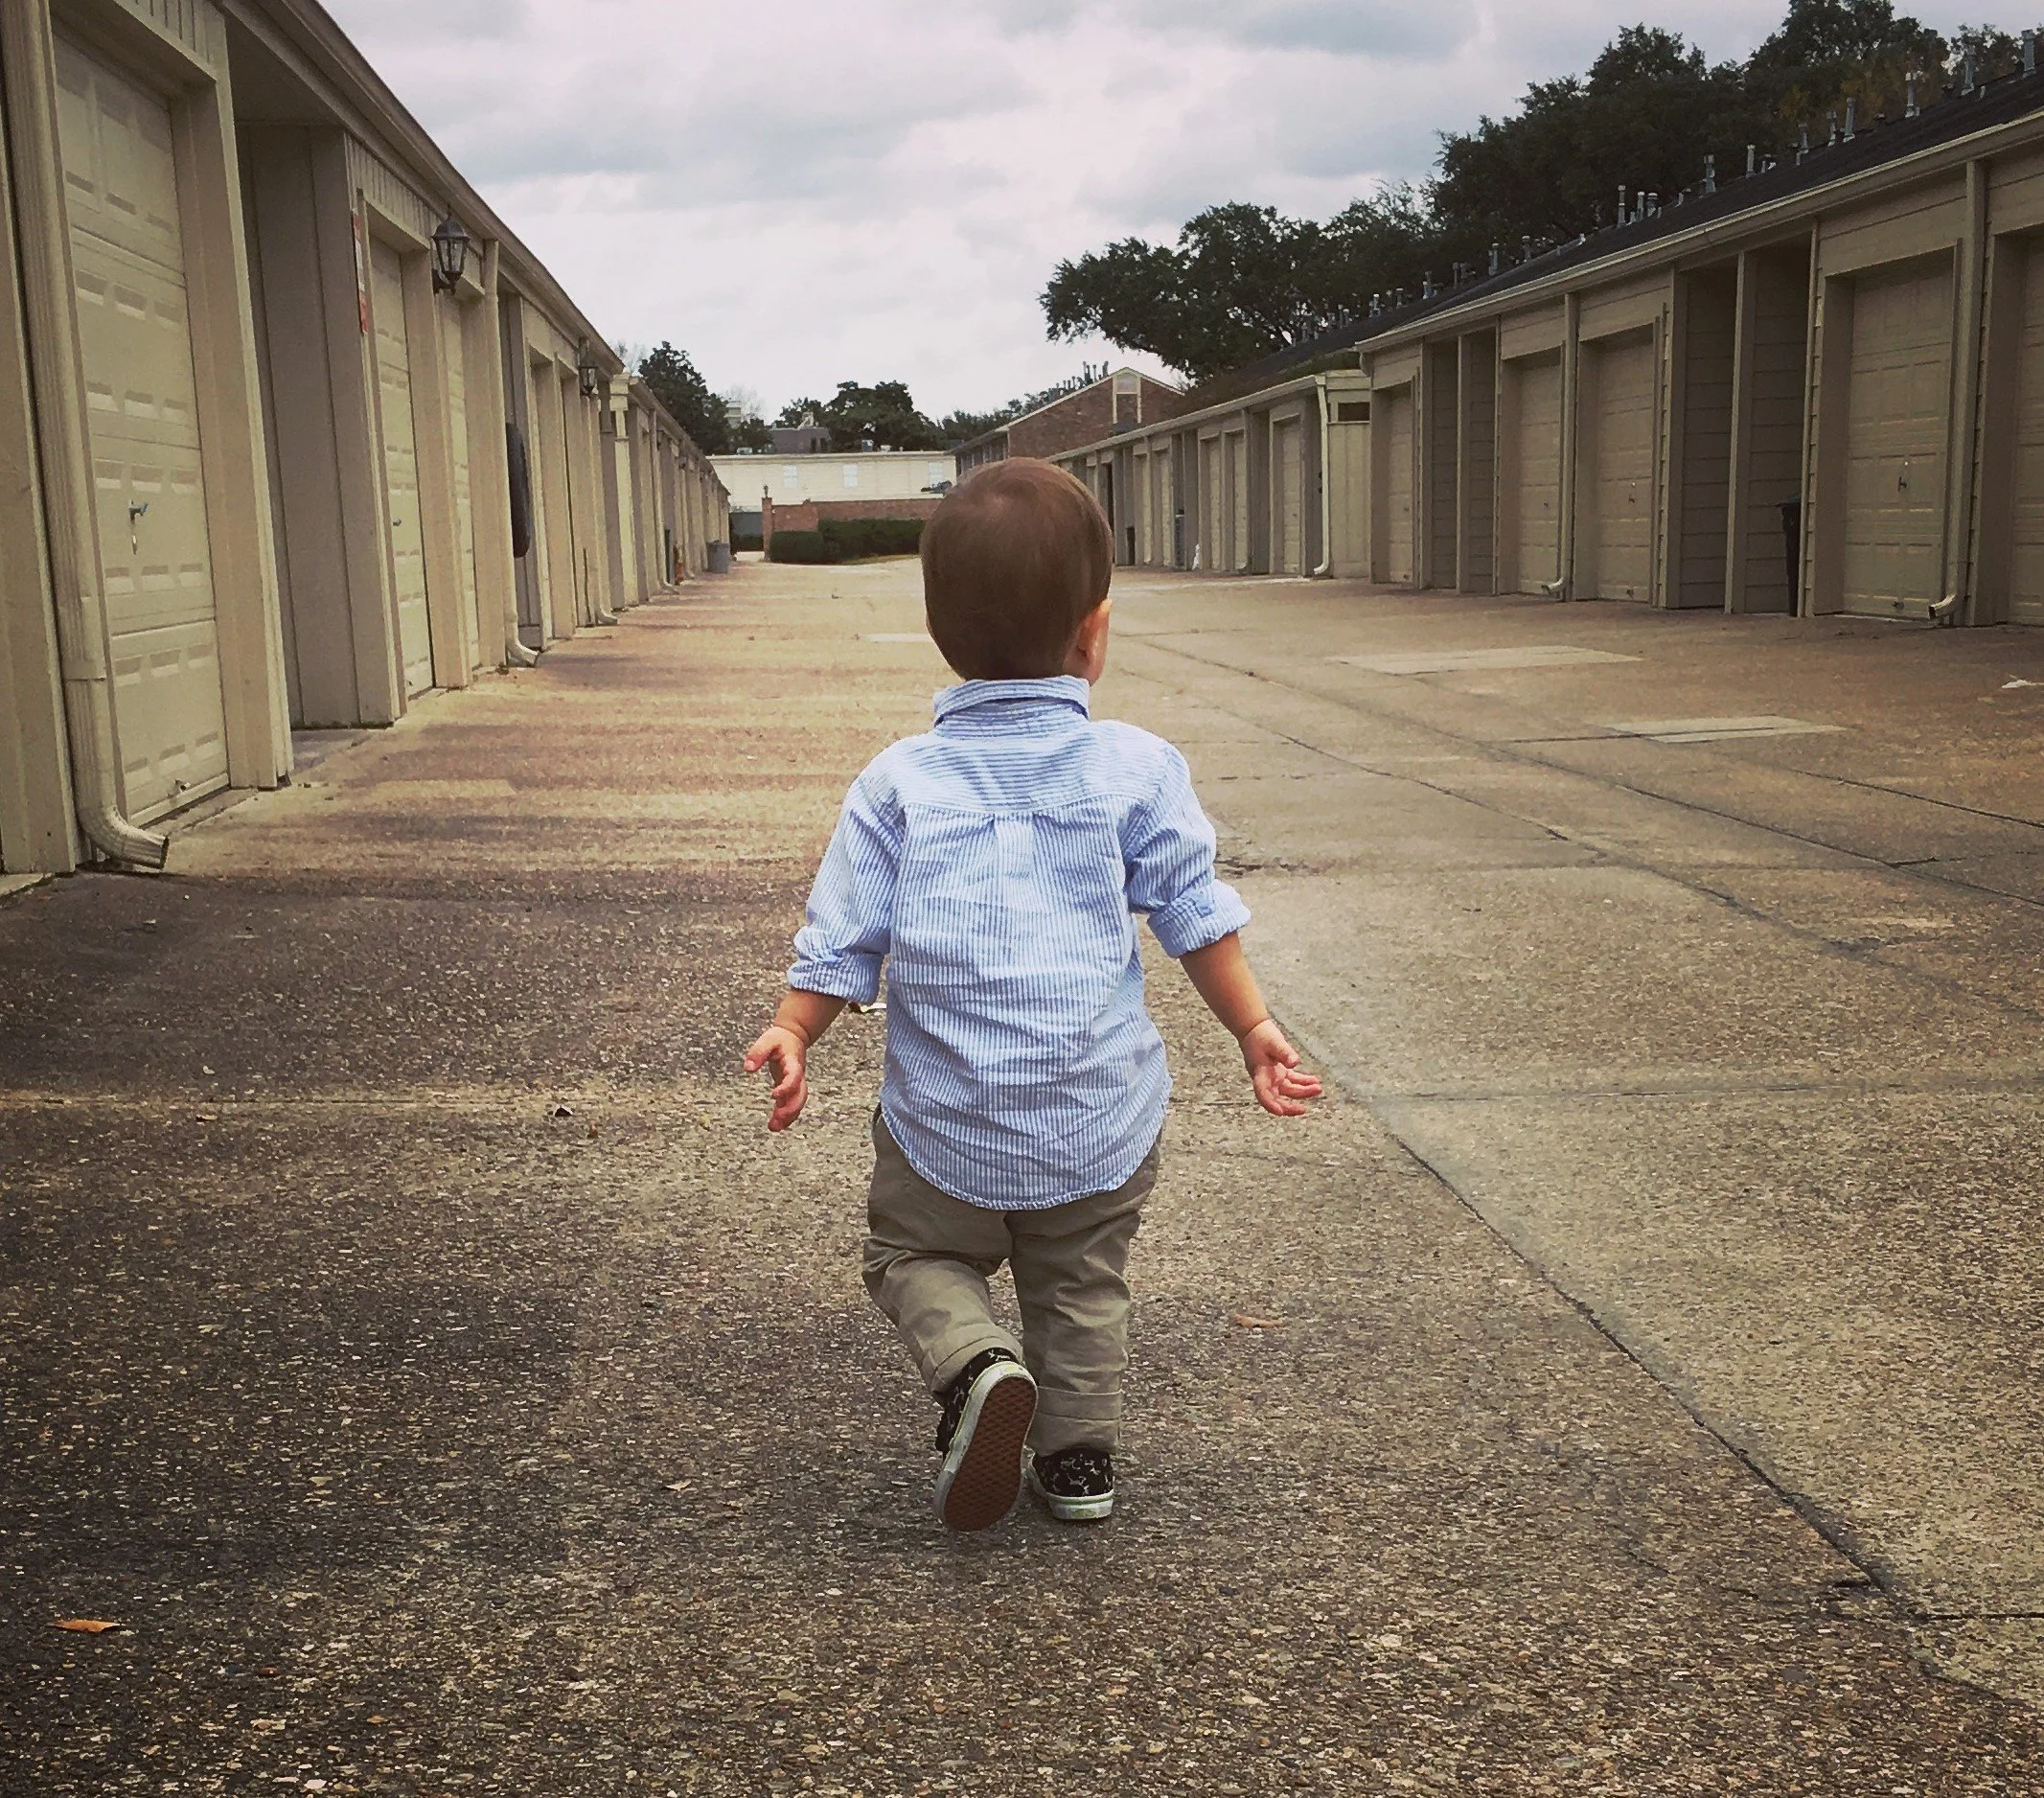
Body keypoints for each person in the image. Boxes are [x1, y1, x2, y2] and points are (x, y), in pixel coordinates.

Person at [743, 458, 1321, 1532]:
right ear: (1093, 634)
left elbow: (845, 935)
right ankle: (1077, 1462)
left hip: (946, 1115)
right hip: (1093, 1108)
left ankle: (974, 1366)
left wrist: (793, 1027)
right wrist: (1255, 1030)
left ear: (940, 632)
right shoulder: (1135, 769)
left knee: (915, 1254)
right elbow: (1195, 911)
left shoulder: (899, 781)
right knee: (1081, 1281)